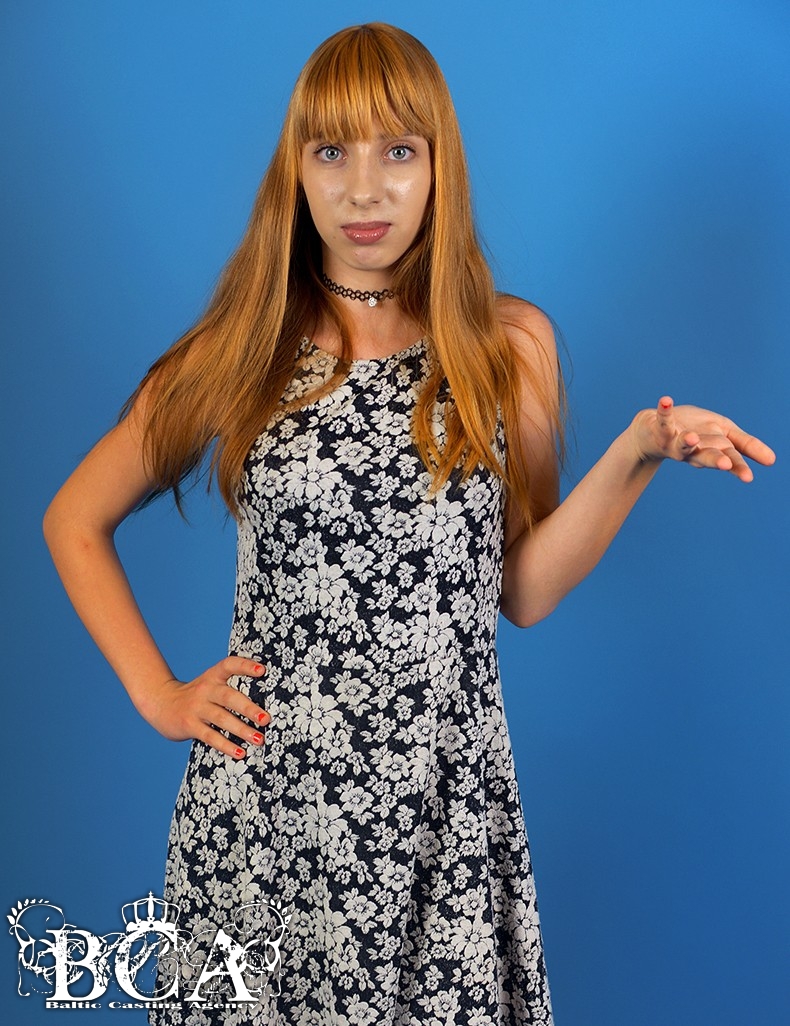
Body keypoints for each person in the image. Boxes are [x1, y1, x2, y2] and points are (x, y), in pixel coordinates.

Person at [43, 21, 774, 1026]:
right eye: (330, 152)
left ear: (439, 167)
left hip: (442, 817)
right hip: (270, 821)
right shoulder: (242, 349)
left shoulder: (506, 347)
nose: (363, 190)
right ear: (295, 170)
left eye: (397, 151)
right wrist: (160, 694)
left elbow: (521, 591)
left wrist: (640, 447)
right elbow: (74, 518)